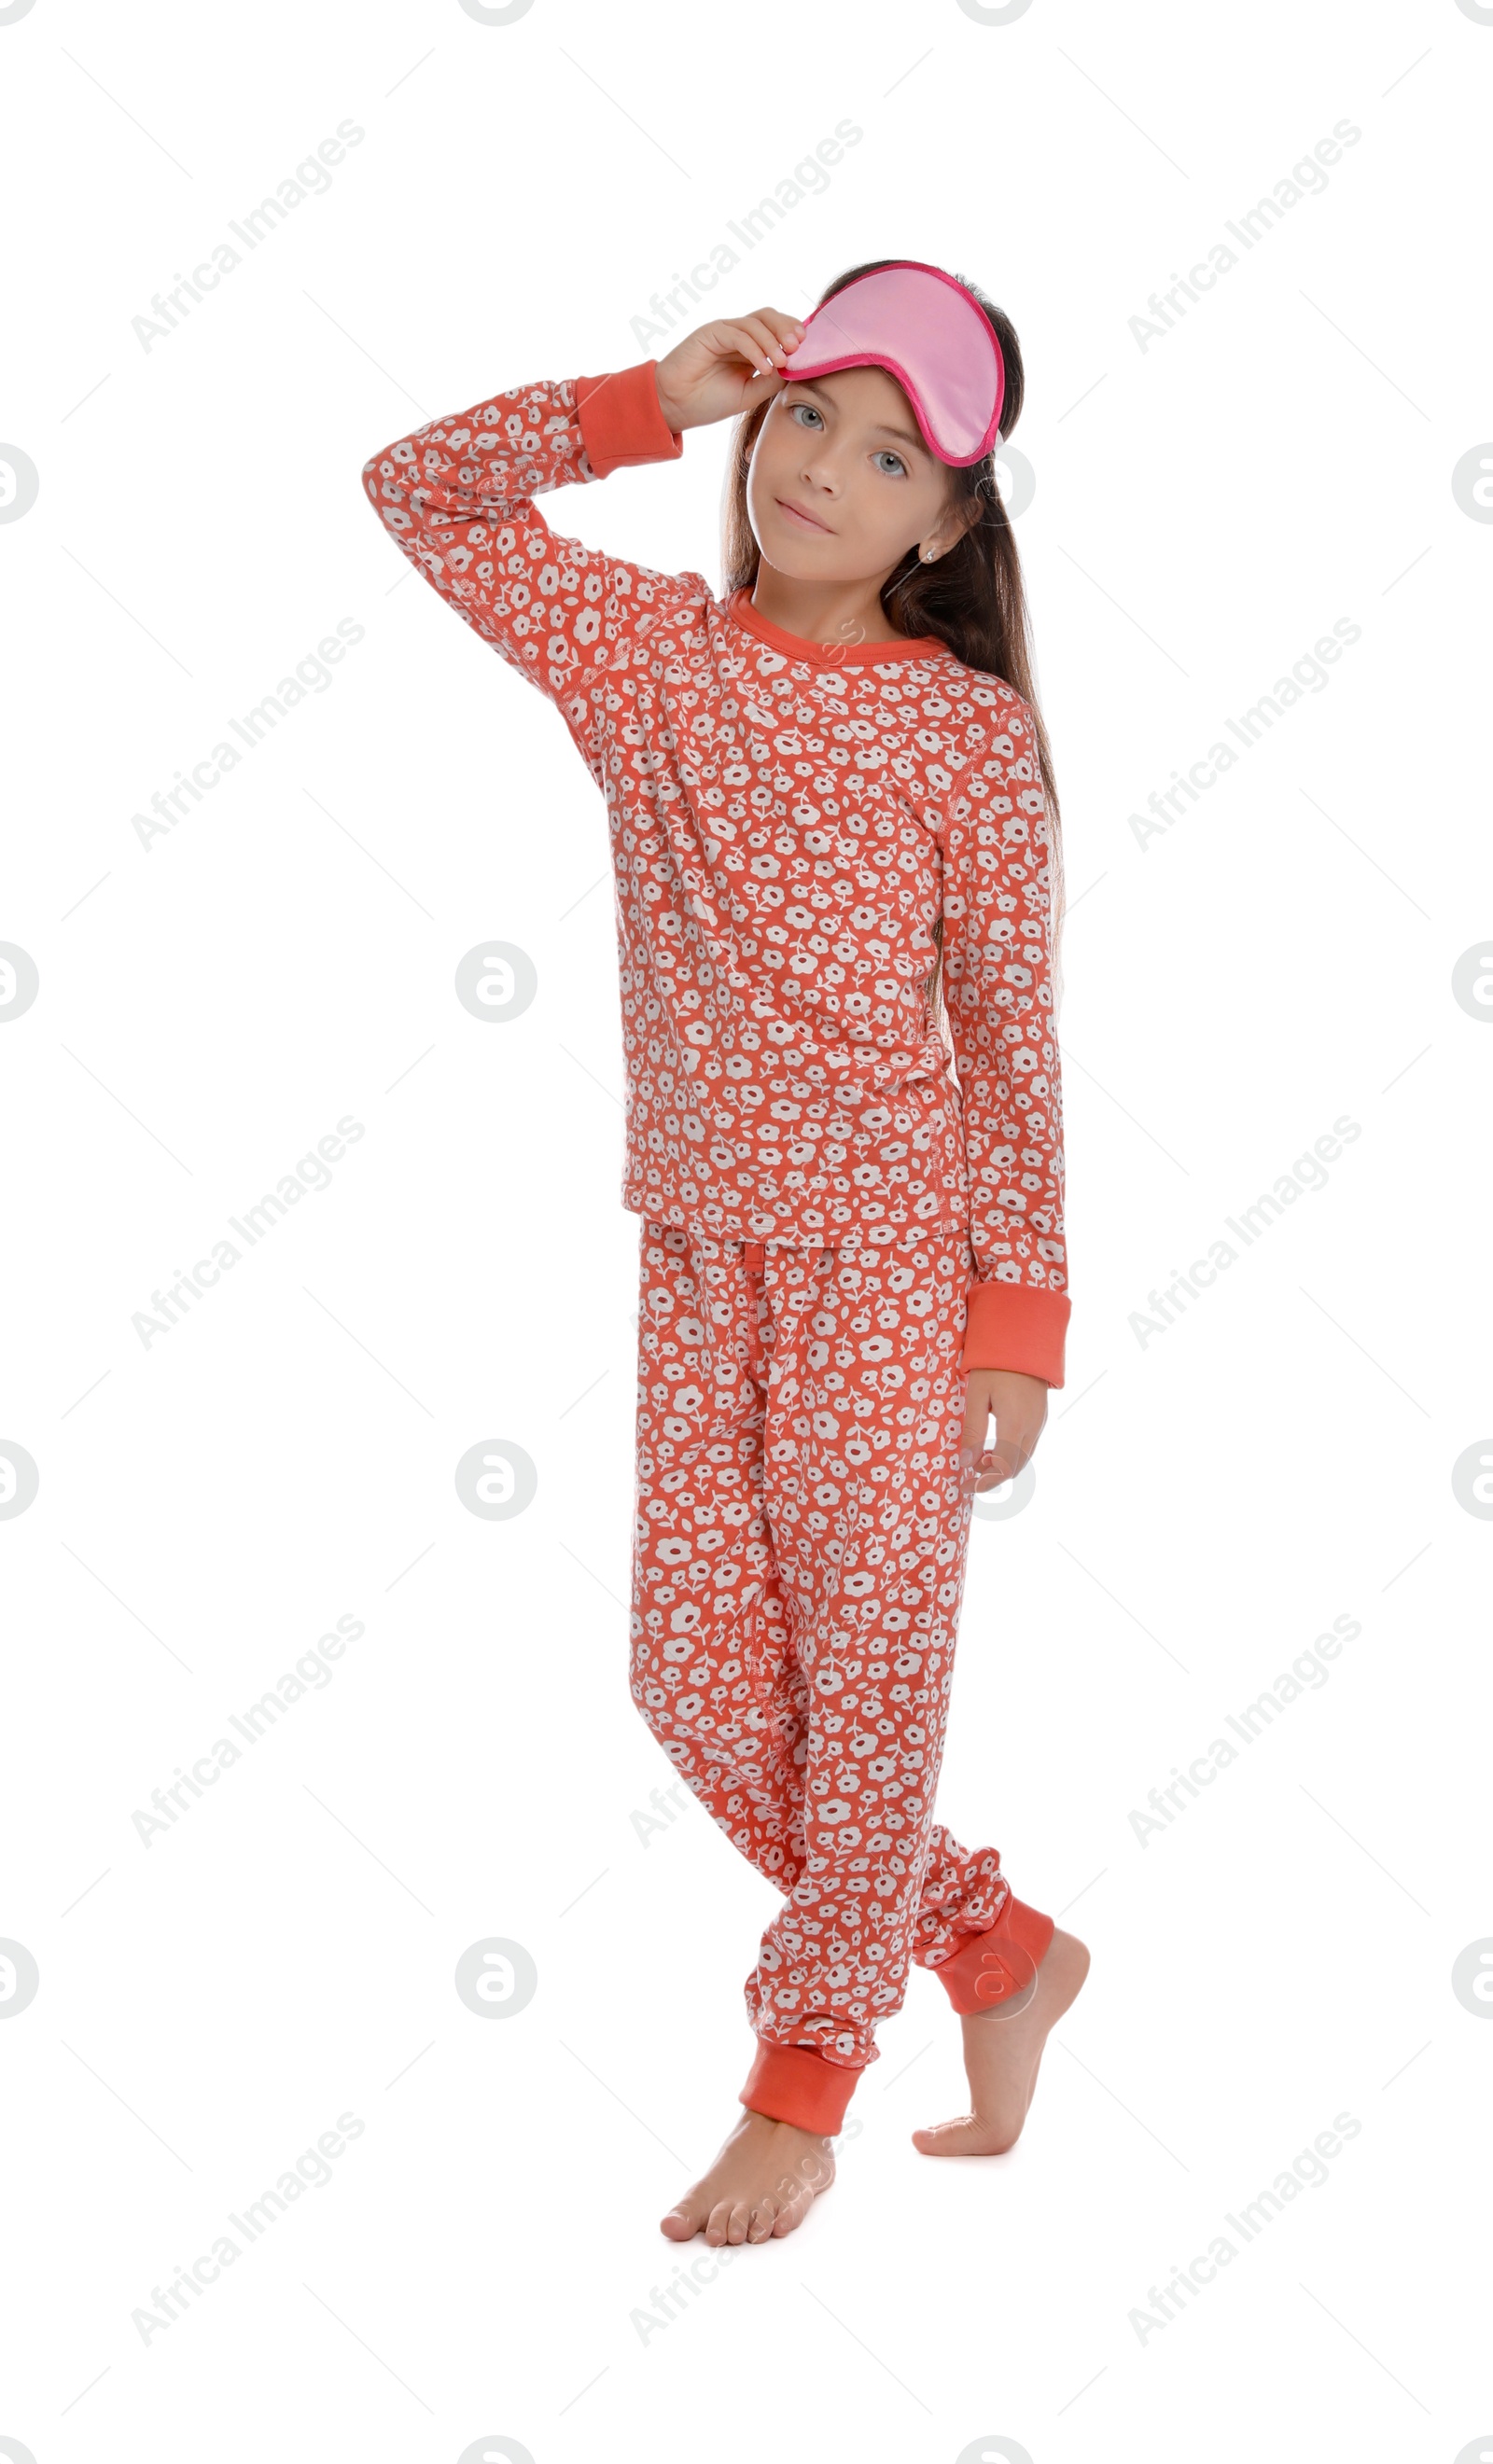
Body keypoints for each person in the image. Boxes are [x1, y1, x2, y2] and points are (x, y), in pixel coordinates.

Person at [363, 258, 1089, 2250]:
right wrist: (636, 400)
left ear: (946, 521)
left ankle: (802, 2078)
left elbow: (1013, 1044)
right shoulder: (644, 659)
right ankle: (995, 1942)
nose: (824, 469)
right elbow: (413, 491)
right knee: (691, 1683)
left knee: (863, 1685)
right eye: (803, 418)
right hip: (692, 1253)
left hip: (889, 1276)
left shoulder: (961, 743)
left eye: (885, 453)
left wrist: (1011, 1320)